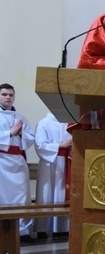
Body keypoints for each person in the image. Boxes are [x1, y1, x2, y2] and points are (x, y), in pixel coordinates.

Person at [0, 84, 35, 238]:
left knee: (22, 196)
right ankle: (4, 232)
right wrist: (10, 133)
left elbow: (31, 138)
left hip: (18, 162)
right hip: (2, 162)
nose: (8, 97)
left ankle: (23, 232)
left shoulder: (20, 117)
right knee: (3, 197)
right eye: (4, 94)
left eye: (11, 95)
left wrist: (21, 135)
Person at [33, 112, 73, 238]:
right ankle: (42, 229)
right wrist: (59, 145)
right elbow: (40, 145)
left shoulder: (69, 123)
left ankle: (61, 228)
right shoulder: (43, 123)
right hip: (49, 163)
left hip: (66, 161)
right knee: (46, 194)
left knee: (61, 194)